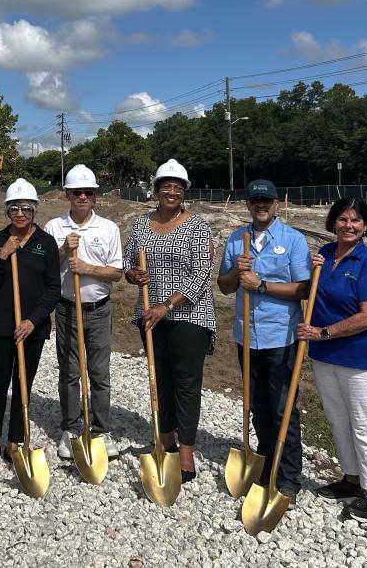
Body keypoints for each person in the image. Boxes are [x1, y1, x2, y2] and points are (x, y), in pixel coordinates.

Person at [296, 197, 367, 521]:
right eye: (342, 219)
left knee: (365, 425)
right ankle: (351, 479)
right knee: (339, 421)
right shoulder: (324, 255)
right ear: (332, 222)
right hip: (327, 355)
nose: (348, 226)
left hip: (363, 356)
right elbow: (311, 292)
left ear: (366, 226)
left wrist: (323, 332)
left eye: (355, 221)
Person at [217, 179, 311, 499]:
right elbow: (225, 286)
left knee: (283, 408)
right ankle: (266, 462)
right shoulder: (236, 239)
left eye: (267, 201)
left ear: (276, 204)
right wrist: (236, 273)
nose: (261, 205)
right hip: (247, 337)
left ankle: (288, 476)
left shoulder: (293, 240)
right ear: (247, 204)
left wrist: (260, 285)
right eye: (256, 200)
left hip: (281, 337)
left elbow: (303, 289)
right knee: (258, 407)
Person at [124, 159, 215, 483]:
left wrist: (168, 304)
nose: (171, 192)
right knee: (158, 378)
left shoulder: (197, 226)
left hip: (190, 314)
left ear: (184, 192)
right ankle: (165, 441)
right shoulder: (139, 224)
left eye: (178, 187)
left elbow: (202, 272)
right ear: (156, 190)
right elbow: (127, 260)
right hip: (149, 313)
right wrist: (132, 273)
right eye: (166, 186)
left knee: (186, 384)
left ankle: (186, 451)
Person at [0, 178, 61, 467]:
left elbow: (53, 289)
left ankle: (14, 441)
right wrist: (2, 257)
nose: (20, 214)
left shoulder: (46, 243)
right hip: (1, 325)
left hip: (32, 329)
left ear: (35, 209)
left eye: (26, 208)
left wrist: (32, 320)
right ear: (7, 211)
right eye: (14, 208)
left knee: (23, 384)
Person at [44, 164, 123, 460]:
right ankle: (72, 428)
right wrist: (64, 250)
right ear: (67, 194)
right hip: (67, 309)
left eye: (88, 192)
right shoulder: (54, 227)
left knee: (100, 373)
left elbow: (116, 272)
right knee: (69, 373)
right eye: (77, 192)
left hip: (99, 310)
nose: (83, 197)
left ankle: (102, 430)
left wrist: (87, 268)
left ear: (95, 196)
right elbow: (45, 269)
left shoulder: (108, 228)